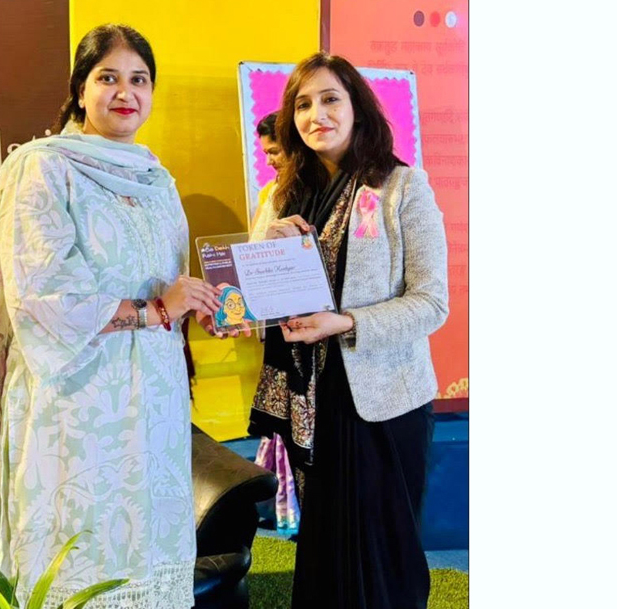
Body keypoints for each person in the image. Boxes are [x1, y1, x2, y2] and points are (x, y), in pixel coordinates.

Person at [0, 24, 225, 609]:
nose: (125, 92)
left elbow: (166, 291)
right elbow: (43, 301)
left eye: (140, 79)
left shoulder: (157, 179)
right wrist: (157, 308)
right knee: (78, 551)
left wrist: (199, 308)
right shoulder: (42, 168)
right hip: (76, 406)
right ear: (80, 90)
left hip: (154, 403)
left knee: (147, 546)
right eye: (108, 77)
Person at [248, 52, 449, 609]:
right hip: (311, 401)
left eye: (330, 99)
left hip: (384, 400)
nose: (316, 115)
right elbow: (254, 299)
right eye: (302, 104)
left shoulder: (401, 187)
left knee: (385, 549)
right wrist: (268, 244)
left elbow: (432, 303)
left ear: (357, 106)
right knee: (326, 544)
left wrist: (347, 323)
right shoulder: (281, 195)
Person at [249, 111, 284, 238]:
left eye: (274, 152)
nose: (269, 162)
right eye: (266, 153)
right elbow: (254, 240)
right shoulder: (270, 191)